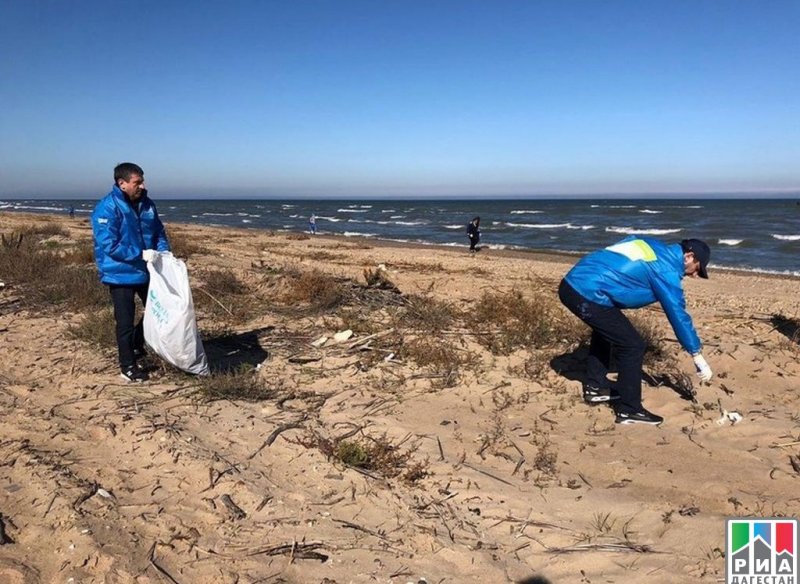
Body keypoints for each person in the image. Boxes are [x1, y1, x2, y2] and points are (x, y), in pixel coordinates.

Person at [558, 236, 713, 425]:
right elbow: (677, 314)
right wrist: (696, 353)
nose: (695, 275)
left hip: (573, 283)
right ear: (689, 257)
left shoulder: (653, 245)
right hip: (586, 293)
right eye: (698, 269)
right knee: (633, 345)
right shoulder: (665, 269)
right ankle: (629, 410)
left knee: (607, 331)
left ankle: (596, 387)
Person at [91, 163, 170, 382]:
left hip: (147, 271)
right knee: (124, 322)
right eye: (137, 182)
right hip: (120, 274)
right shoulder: (107, 208)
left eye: (142, 181)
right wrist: (141, 253)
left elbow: (158, 231)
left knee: (157, 312)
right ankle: (127, 366)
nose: (142, 186)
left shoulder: (147, 204)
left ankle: (138, 342)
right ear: (122, 183)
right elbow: (109, 245)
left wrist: (164, 253)